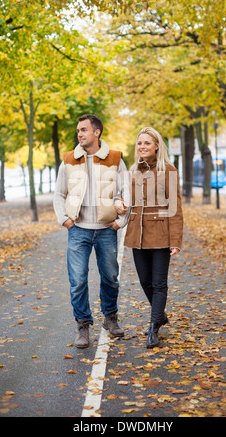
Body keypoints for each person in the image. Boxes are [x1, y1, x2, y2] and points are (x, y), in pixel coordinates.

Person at [53, 114, 130, 349]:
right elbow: (59, 194)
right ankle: (83, 325)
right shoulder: (68, 159)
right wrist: (64, 220)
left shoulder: (115, 158)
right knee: (77, 281)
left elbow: (127, 191)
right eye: (78, 130)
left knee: (110, 277)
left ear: (96, 132)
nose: (80, 133)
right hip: (78, 230)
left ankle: (110, 317)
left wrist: (121, 222)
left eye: (84, 129)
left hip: (106, 229)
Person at [120, 127, 183, 349]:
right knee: (145, 282)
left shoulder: (168, 170)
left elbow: (175, 208)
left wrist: (176, 240)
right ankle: (160, 315)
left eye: (147, 143)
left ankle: (154, 327)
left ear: (157, 146)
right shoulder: (132, 171)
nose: (142, 147)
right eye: (139, 143)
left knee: (159, 284)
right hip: (137, 235)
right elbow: (126, 202)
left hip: (161, 235)